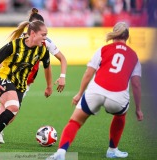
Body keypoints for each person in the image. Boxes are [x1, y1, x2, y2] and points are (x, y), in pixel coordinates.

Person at [0, 8, 67, 143]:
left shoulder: (45, 44)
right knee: (10, 108)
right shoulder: (18, 42)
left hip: (24, 83)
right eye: (42, 33)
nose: (45, 36)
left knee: (9, 116)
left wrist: (54, 82)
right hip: (8, 79)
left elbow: (51, 64)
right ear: (32, 31)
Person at [46, 22, 143, 160]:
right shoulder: (134, 56)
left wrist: (80, 93)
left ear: (114, 34)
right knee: (120, 115)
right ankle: (112, 150)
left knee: (75, 121)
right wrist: (138, 108)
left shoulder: (103, 49)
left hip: (96, 91)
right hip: (117, 96)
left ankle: (61, 153)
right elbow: (136, 84)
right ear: (127, 37)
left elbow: (88, 73)